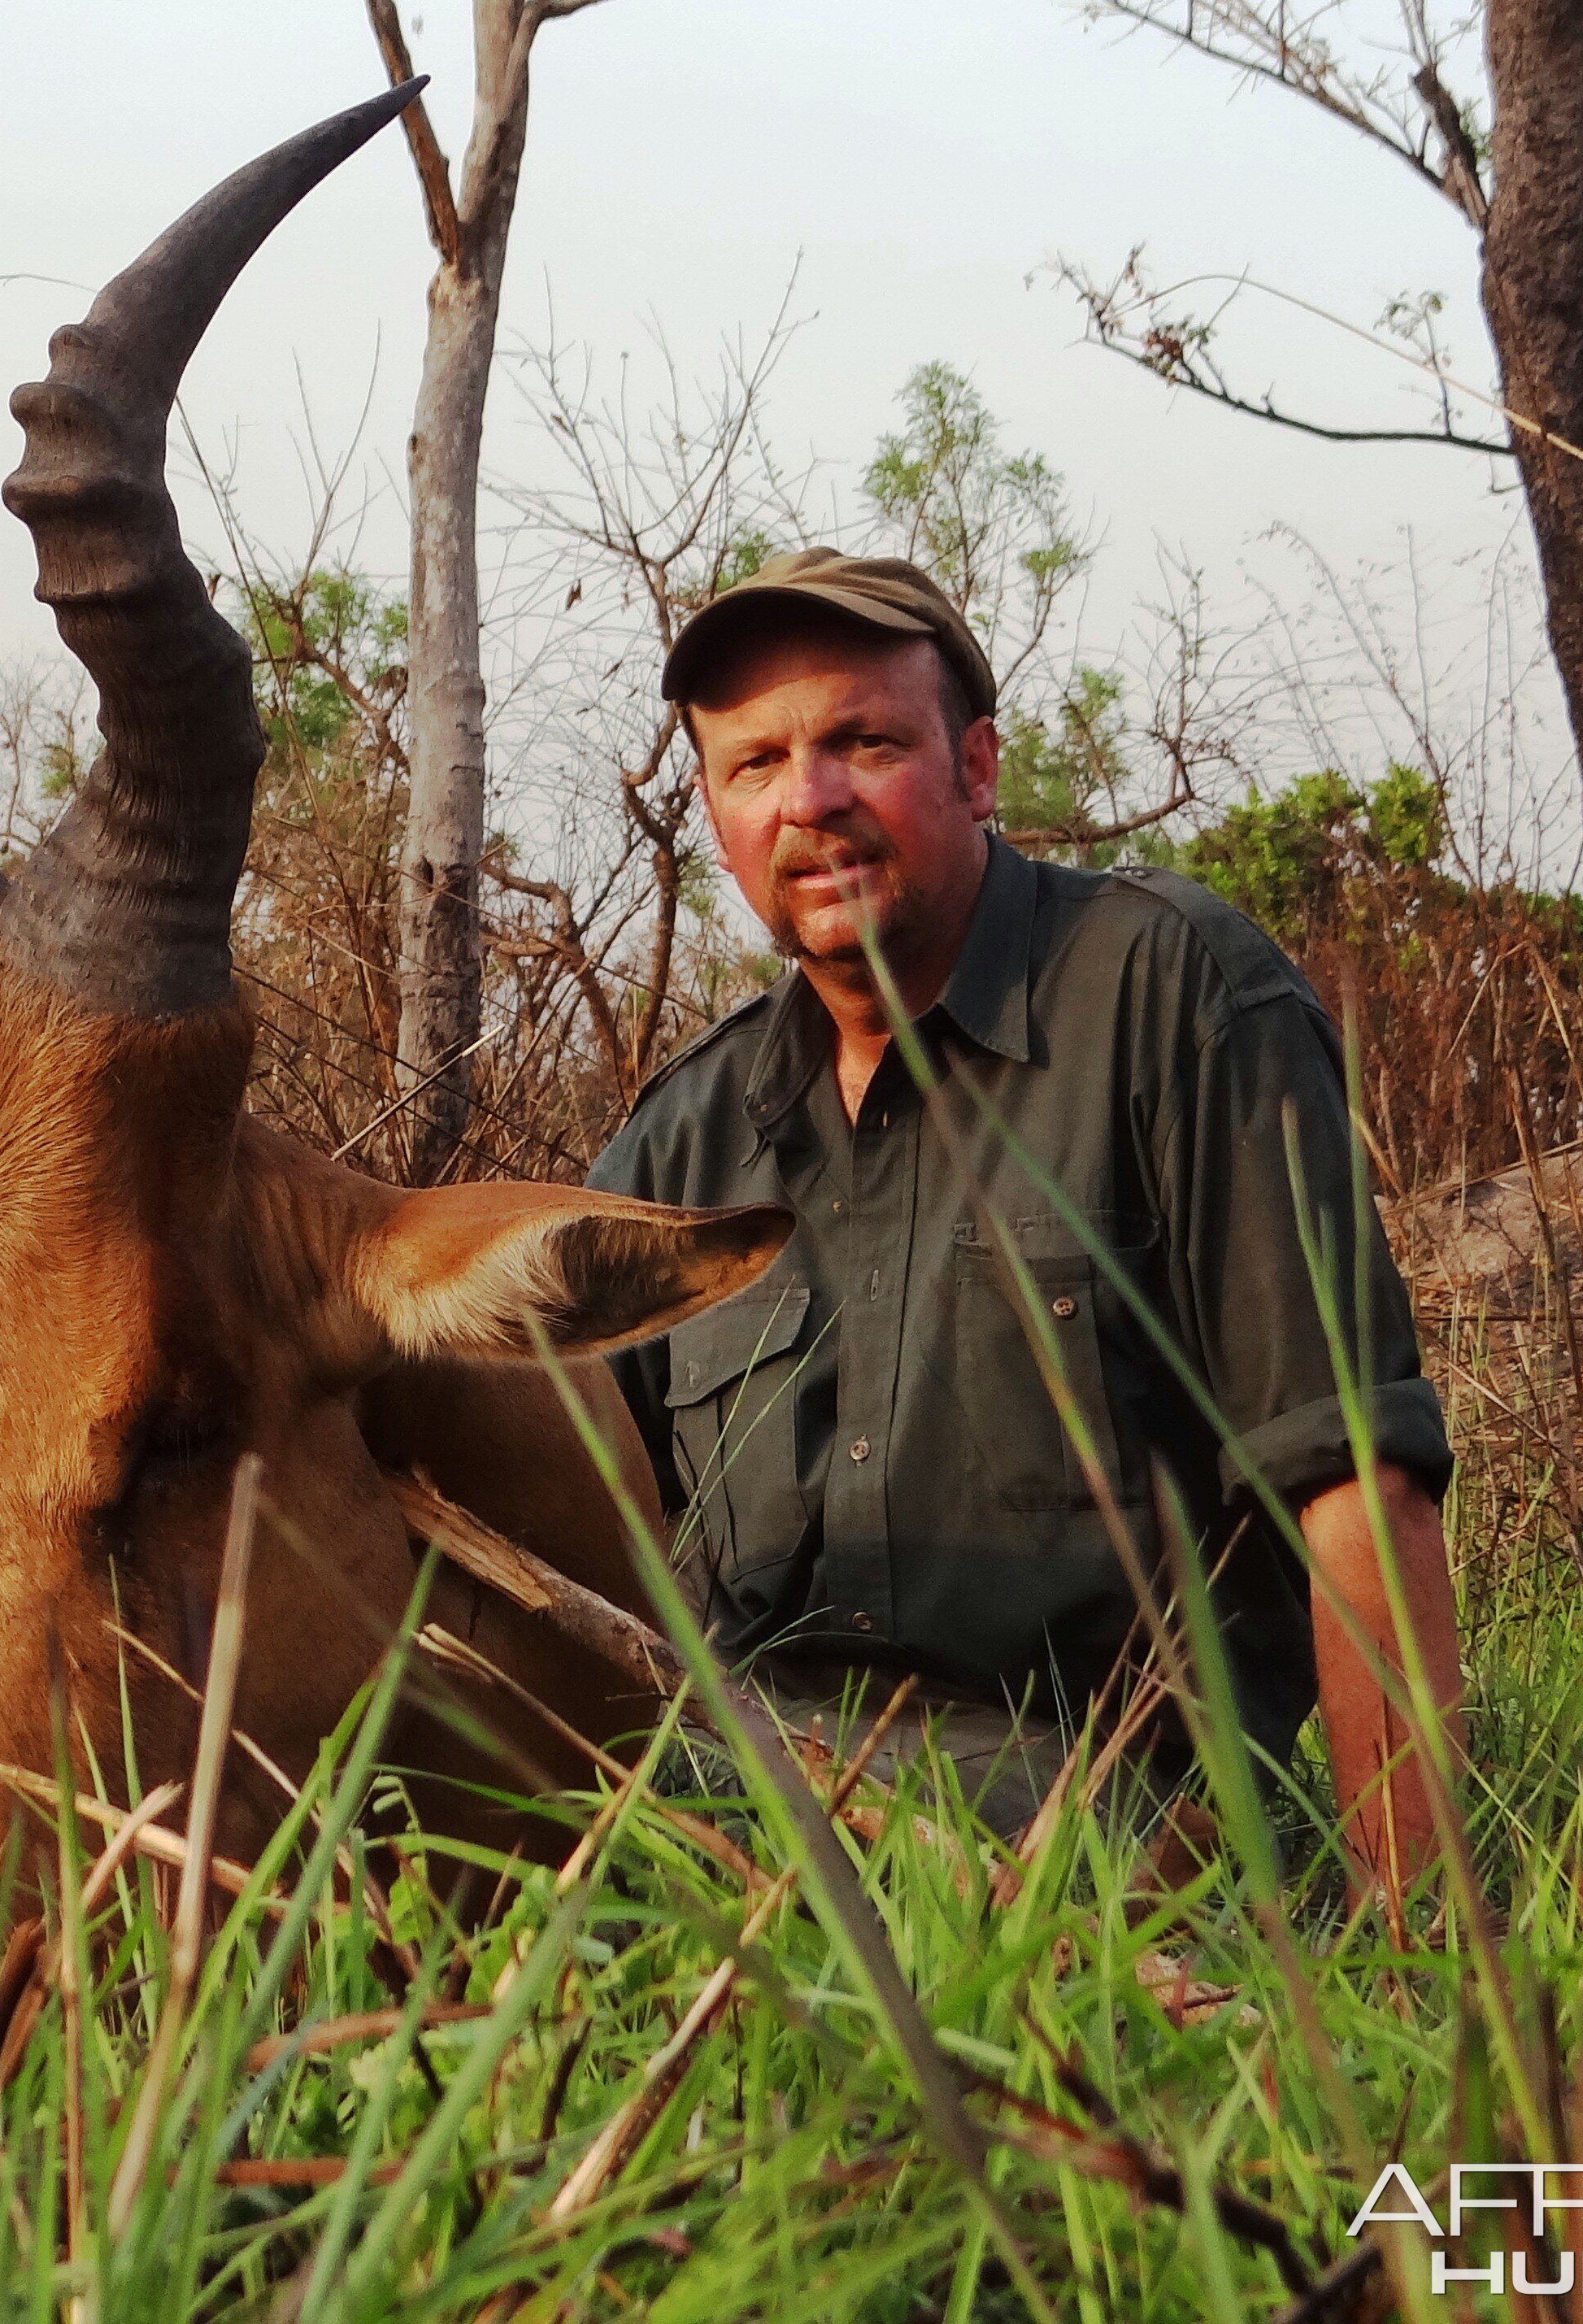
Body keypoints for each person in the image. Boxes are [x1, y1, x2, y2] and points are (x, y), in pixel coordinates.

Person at [589, 547, 1463, 1901]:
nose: (809, 799)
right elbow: (570, 1547)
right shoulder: (681, 1135)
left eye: (860, 742)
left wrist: (1422, 1941)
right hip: (739, 1808)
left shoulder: (1166, 992)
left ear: (976, 767)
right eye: (753, 764)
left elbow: (1352, 1473)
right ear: (712, 813)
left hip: (1097, 1832)